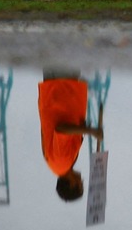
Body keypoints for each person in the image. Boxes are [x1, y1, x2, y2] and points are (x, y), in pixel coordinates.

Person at [39, 71, 101, 202]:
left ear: (73, 185)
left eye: (81, 184)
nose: (82, 180)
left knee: (67, 52)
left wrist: (90, 131)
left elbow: (61, 130)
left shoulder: (62, 162)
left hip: (62, 90)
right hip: (57, 90)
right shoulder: (58, 165)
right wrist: (81, 128)